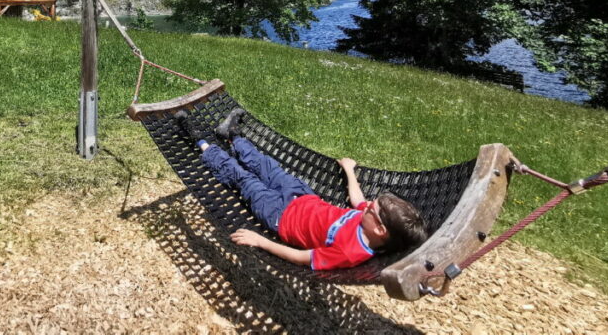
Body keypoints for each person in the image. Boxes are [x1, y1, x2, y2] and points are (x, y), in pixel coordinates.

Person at [175, 109, 428, 271]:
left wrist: (260, 241)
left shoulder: (350, 252)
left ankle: (201, 142)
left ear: (381, 230)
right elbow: (358, 199)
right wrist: (350, 171)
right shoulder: (368, 221)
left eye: (375, 208)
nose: (370, 204)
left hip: (280, 216)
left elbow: (303, 258)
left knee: (243, 179)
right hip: (302, 195)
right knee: (266, 165)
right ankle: (232, 136)